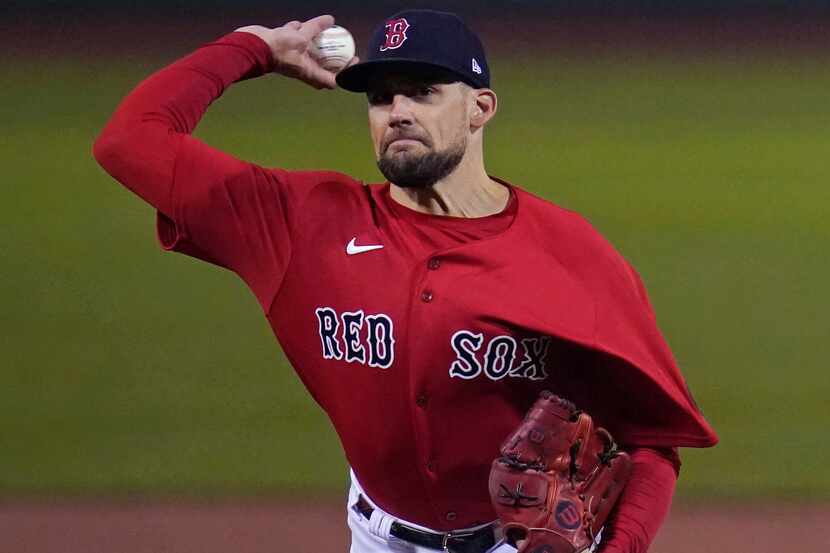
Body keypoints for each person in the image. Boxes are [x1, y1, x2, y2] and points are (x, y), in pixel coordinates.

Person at [93, 9, 717, 553]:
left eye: (421, 92)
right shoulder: (299, 221)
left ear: (481, 108)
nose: (397, 113)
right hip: (376, 538)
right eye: (381, 97)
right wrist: (253, 47)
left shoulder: (572, 254)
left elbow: (652, 441)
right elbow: (129, 141)